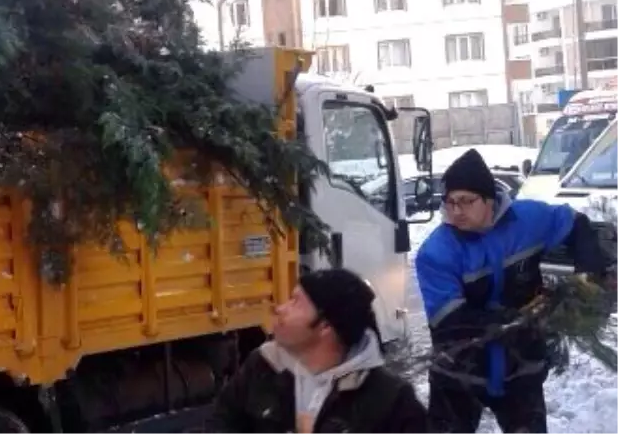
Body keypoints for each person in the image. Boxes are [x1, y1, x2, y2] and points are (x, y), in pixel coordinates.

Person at [416, 148, 611, 433]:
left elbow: (575, 224)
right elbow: (449, 321)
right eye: (449, 202)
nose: (456, 211)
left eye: (466, 201)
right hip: (459, 373)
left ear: (489, 199)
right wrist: (513, 319)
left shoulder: (528, 220)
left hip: (520, 367)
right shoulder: (436, 253)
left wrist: (589, 269)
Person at [213, 268, 427, 434]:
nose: (280, 308)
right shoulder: (263, 366)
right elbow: (220, 425)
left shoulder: (389, 400)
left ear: (325, 326)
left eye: (295, 302)